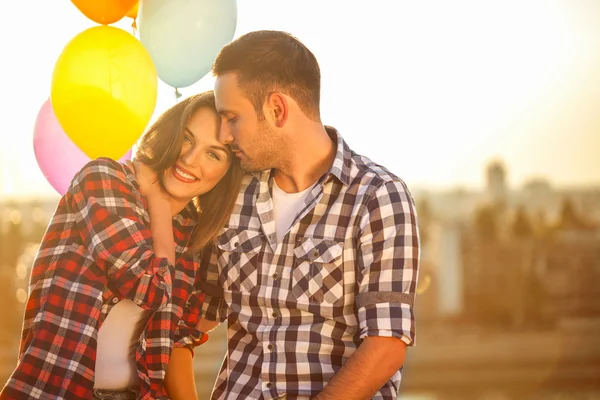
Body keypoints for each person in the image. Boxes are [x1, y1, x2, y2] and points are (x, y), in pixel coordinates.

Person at [169, 30, 421, 400]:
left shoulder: (378, 197)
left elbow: (386, 345)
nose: (224, 134)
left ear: (276, 109)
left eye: (232, 118)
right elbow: (186, 323)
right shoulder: (231, 196)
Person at [0, 91, 243, 400]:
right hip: (54, 391)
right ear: (170, 133)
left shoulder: (193, 238)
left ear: (225, 174)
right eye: (186, 138)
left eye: (214, 154)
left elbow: (176, 343)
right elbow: (148, 284)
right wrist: (156, 200)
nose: (190, 159)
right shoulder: (104, 179)